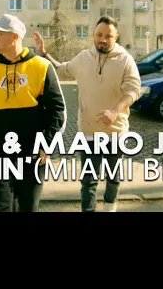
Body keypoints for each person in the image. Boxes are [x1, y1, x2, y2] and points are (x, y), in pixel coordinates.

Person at [33, 15, 141, 212]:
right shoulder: (83, 58)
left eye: (108, 36)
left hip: (115, 132)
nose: (103, 39)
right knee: (89, 180)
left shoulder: (125, 60)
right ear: (93, 34)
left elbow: (133, 90)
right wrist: (44, 53)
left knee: (113, 177)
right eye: (99, 35)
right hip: (88, 132)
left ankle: (110, 206)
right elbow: (61, 70)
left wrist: (115, 111)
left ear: (116, 37)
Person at [0, 14, 67, 212]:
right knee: (0, 205)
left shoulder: (41, 67)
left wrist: (46, 144)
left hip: (31, 151)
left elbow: (57, 110)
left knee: (28, 206)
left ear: (14, 37)